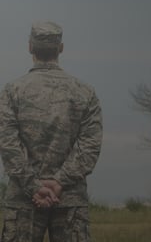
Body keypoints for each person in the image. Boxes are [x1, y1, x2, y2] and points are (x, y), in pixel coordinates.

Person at [0, 21, 103, 241]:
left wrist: (33, 186)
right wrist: (59, 183)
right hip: (69, 200)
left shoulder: (12, 92)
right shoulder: (85, 93)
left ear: (30, 47)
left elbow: (8, 145)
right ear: (61, 48)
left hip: (23, 202)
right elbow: (90, 147)